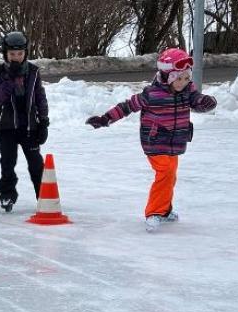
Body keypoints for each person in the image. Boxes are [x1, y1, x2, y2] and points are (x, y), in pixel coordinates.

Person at [86, 48, 216, 232]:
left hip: (175, 141)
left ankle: (164, 210)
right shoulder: (152, 94)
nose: (184, 82)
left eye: (187, 78)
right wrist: (105, 119)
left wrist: (206, 102)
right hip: (154, 141)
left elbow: (198, 101)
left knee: (170, 176)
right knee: (165, 173)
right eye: (180, 78)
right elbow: (127, 106)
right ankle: (154, 212)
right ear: (169, 77)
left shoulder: (188, 90)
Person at [0, 31, 49, 212]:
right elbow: (0, 96)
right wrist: (10, 77)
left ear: (25, 53)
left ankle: (44, 196)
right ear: (5, 54)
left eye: (20, 54)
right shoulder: (0, 72)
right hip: (7, 126)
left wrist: (44, 121)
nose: (16, 57)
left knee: (36, 163)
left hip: (29, 126)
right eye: (12, 54)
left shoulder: (33, 71)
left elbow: (40, 97)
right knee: (7, 163)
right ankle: (8, 195)